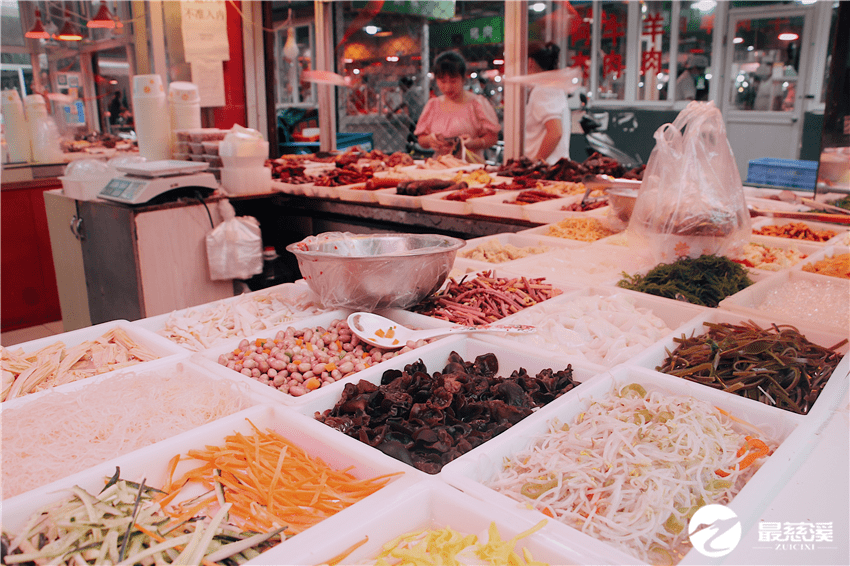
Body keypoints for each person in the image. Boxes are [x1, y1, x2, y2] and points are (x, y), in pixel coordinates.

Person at [415, 51, 500, 161]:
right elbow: (421, 139)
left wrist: (474, 143)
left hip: (471, 168)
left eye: (453, 81)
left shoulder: (476, 103)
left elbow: (492, 138)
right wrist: (430, 140)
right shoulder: (433, 104)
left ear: (463, 79)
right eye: (442, 81)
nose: (448, 87)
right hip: (441, 167)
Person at [524, 42, 571, 164]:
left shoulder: (543, 89)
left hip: (547, 171)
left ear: (530, 62)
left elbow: (555, 133)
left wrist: (536, 163)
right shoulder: (548, 87)